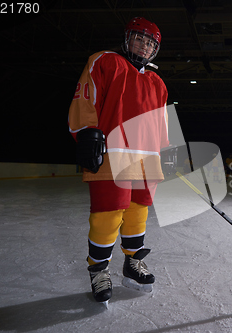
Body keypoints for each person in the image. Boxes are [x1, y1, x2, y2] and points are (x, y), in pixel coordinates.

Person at [68, 17, 169, 305]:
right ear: (127, 39)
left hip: (147, 157)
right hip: (114, 153)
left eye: (151, 43)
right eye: (140, 38)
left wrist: (167, 152)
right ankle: (99, 270)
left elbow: (160, 122)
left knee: (139, 212)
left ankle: (132, 263)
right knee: (108, 213)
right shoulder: (105, 61)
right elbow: (85, 97)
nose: (145, 45)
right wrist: (86, 131)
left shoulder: (158, 83)